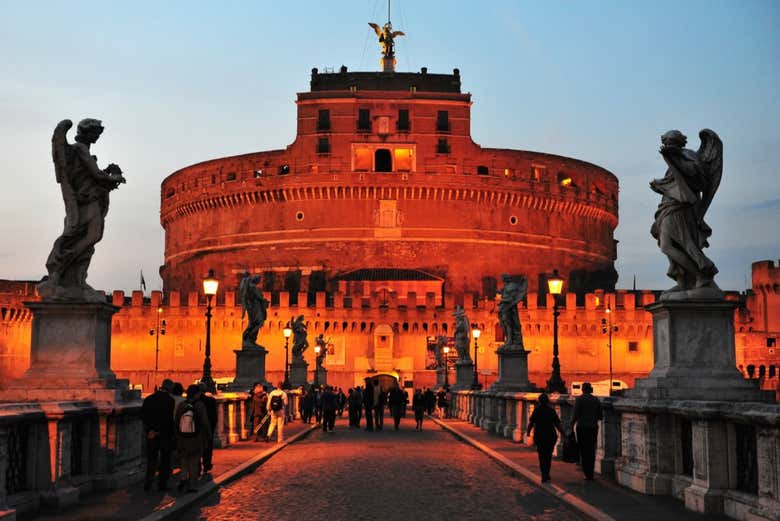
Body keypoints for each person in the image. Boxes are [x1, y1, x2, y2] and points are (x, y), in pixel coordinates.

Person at [174, 384, 211, 492]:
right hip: (195, 438)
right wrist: (208, 435)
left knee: (184, 461)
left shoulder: (182, 405)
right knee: (194, 462)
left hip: (182, 438)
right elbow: (205, 422)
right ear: (197, 394)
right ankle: (192, 485)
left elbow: (176, 421)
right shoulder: (199, 405)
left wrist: (177, 436)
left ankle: (183, 479)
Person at [141, 379, 175, 491]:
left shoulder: (149, 399)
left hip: (151, 433)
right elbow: (168, 419)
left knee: (151, 459)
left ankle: (148, 482)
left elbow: (144, 416)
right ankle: (162, 484)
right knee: (165, 460)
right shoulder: (170, 400)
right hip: (164, 433)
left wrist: (151, 429)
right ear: (170, 389)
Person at [526, 393, 564, 483]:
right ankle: (547, 473)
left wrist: (528, 432)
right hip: (550, 435)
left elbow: (531, 423)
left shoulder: (537, 410)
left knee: (541, 455)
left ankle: (544, 474)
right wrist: (564, 434)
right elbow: (557, 424)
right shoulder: (551, 411)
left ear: (539, 401)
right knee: (548, 455)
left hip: (539, 435)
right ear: (547, 401)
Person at [572, 382, 603, 480]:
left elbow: (575, 415)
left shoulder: (579, 399)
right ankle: (591, 472)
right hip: (593, 427)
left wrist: (570, 426)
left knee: (583, 450)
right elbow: (600, 416)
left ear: (582, 390)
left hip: (582, 427)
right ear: (590, 389)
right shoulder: (596, 400)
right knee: (591, 450)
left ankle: (586, 473)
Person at [198, 382, 218, 475]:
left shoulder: (194, 401)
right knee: (208, 447)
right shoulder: (211, 400)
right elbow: (214, 416)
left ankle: (197, 466)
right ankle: (207, 465)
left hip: (197, 428)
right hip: (208, 427)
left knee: (197, 447)